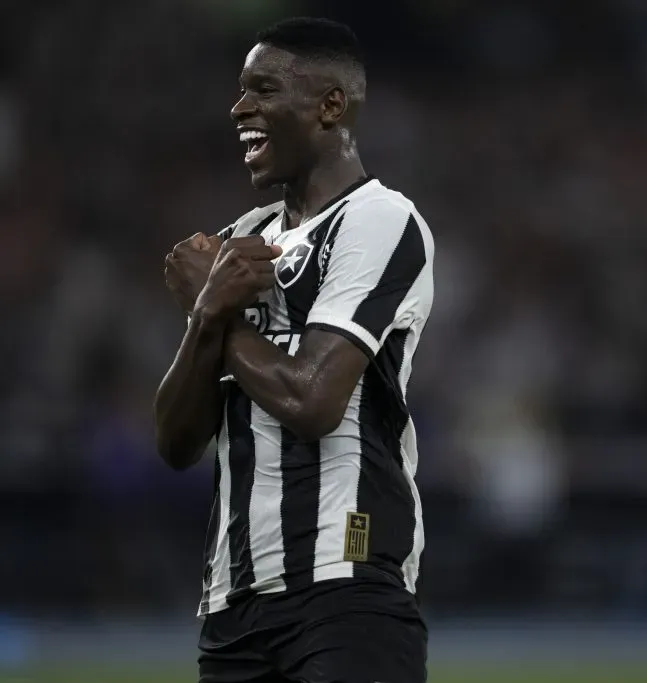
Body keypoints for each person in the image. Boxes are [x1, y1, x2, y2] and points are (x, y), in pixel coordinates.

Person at [154, 17, 433, 683]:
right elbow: (175, 442)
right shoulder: (240, 238)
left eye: (263, 90)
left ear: (330, 105)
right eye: (240, 90)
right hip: (233, 603)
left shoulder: (379, 219)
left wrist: (216, 309)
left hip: (347, 582)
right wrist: (204, 318)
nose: (239, 108)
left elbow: (313, 399)